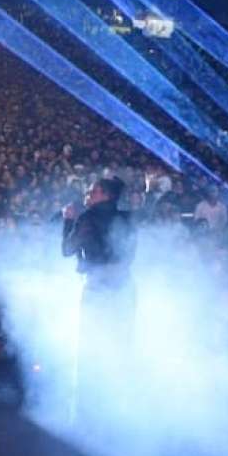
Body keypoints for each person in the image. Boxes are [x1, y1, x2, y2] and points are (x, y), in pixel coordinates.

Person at [62, 177, 136, 421]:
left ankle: (89, 410)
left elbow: (67, 250)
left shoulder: (87, 218)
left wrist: (68, 221)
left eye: (93, 191)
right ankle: (120, 405)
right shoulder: (128, 219)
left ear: (105, 195)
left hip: (99, 288)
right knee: (121, 344)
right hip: (125, 287)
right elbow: (129, 255)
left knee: (91, 346)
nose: (88, 194)